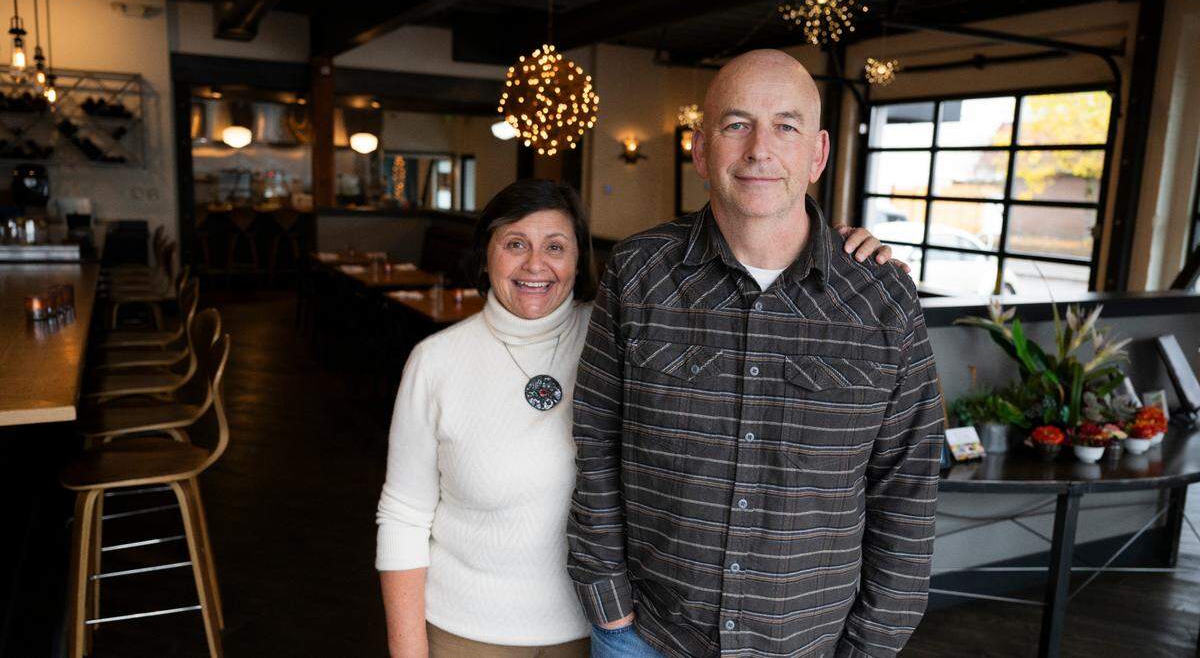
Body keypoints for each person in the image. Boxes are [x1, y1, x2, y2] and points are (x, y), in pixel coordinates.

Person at [376, 180, 899, 658]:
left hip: (605, 629)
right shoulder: (436, 360)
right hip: (468, 633)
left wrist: (837, 247)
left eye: (555, 246)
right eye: (515, 243)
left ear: (580, 259)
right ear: (485, 254)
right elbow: (404, 514)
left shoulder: (625, 329)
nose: (535, 264)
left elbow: (744, 313)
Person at [568, 49, 944, 658]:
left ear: (818, 153)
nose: (759, 149)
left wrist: (872, 644)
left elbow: (908, 486)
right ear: (699, 148)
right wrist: (609, 600)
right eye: (736, 124)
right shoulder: (637, 273)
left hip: (810, 643)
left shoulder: (881, 297)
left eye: (785, 126)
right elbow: (597, 434)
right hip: (648, 635)